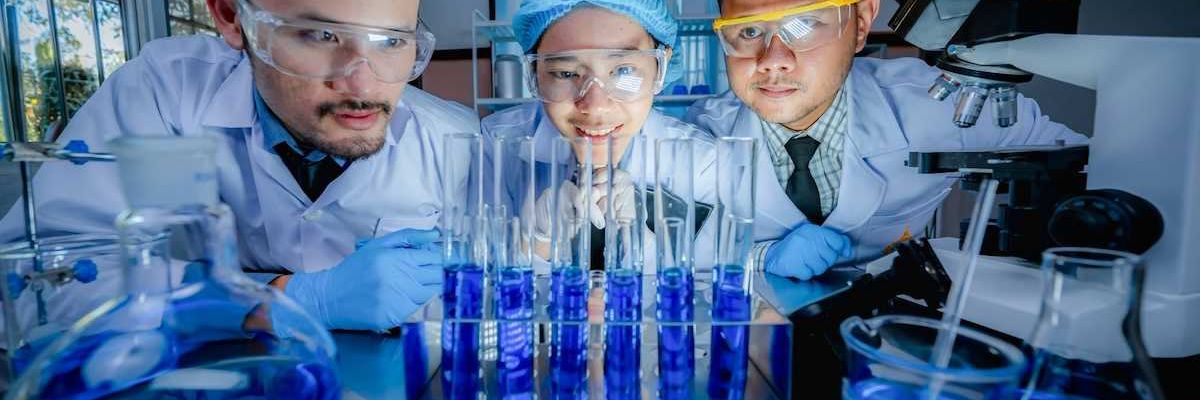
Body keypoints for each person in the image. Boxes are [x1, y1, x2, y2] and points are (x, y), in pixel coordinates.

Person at [0, 0, 477, 333]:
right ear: (232, 17)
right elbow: (26, 289)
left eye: (392, 42)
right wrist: (284, 300)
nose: (362, 84)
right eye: (321, 34)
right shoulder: (164, 94)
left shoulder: (451, 138)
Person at [686, 0, 1087, 280]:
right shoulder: (704, 134)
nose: (773, 58)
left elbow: (1088, 166)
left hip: (897, 331)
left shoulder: (942, 106)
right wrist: (760, 258)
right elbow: (669, 254)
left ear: (861, 23)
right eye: (750, 30)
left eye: (805, 24)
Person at [483, 0, 719, 276]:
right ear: (534, 74)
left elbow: (705, 293)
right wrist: (534, 243)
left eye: (624, 71)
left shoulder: (700, 160)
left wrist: (643, 246)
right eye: (566, 73)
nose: (596, 107)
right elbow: (479, 286)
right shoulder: (499, 143)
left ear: (661, 67)